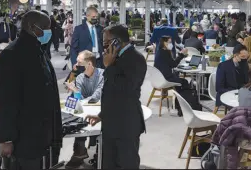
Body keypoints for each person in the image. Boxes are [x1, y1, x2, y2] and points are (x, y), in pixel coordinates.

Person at [0, 11, 62, 169]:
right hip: (22, 140)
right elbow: (6, 101)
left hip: (39, 135)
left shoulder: (37, 49)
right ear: (32, 27)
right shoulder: (11, 55)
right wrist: (6, 139)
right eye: (45, 28)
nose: (49, 32)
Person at [85, 25, 147, 169]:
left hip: (126, 125)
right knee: (108, 163)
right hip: (111, 123)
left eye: (107, 42)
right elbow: (112, 94)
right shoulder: (115, 57)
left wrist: (109, 67)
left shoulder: (135, 59)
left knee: (126, 164)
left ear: (117, 41)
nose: (104, 46)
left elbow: (126, 89)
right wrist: (102, 115)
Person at [64, 50, 104, 169]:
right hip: (85, 111)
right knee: (78, 121)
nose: (76, 66)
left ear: (89, 64)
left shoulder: (103, 75)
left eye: (79, 63)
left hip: (101, 112)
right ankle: (79, 152)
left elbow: (97, 96)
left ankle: (99, 154)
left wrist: (79, 94)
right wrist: (76, 93)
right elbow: (79, 100)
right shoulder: (80, 77)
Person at [154, 36, 190, 116]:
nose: (171, 44)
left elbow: (169, 64)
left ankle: (178, 105)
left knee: (178, 79)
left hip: (157, 79)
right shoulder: (165, 52)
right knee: (184, 82)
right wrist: (181, 54)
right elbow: (173, 64)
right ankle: (184, 106)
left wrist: (181, 55)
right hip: (165, 79)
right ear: (164, 43)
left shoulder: (159, 51)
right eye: (169, 42)